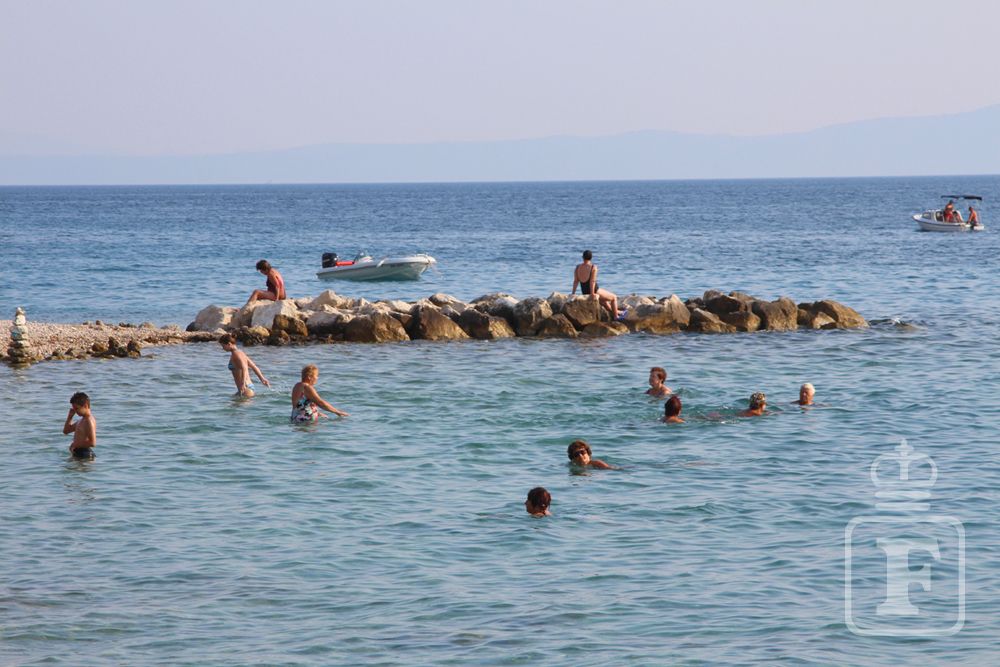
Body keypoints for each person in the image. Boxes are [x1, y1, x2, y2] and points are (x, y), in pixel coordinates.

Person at [572, 250, 622, 320]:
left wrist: (573, 293)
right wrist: (592, 294)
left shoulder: (577, 267)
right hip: (594, 290)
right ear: (591, 257)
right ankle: (616, 317)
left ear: (583, 257)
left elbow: (576, 281)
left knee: (605, 302)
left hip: (584, 291)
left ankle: (618, 312)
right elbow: (592, 281)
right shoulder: (593, 267)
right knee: (614, 297)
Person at [63, 392, 96, 460]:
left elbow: (92, 443)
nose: (75, 411)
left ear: (85, 406)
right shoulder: (81, 421)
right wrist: (70, 417)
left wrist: (75, 444)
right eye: (74, 409)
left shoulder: (89, 421)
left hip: (85, 454)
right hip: (79, 453)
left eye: (77, 408)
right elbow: (66, 431)